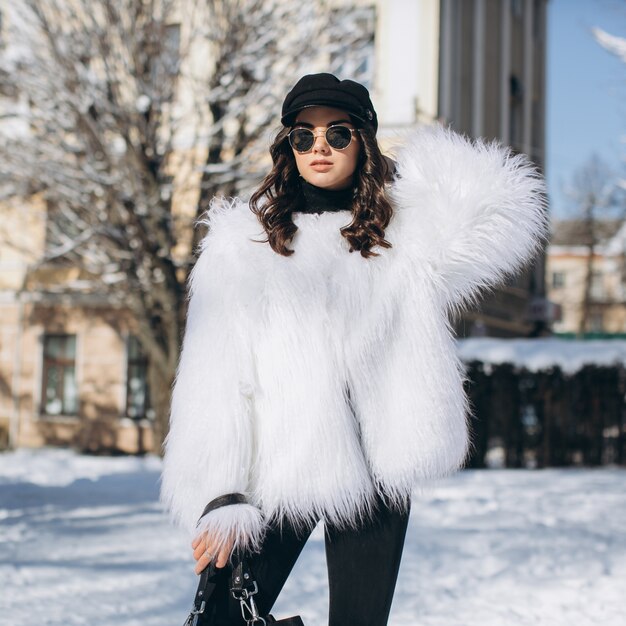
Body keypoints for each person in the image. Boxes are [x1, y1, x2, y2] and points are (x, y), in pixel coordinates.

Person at [161, 73, 549, 625]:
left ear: (363, 141)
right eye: (303, 135)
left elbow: (498, 209)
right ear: (287, 146)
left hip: (376, 473)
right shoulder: (241, 246)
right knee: (221, 619)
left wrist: (422, 161)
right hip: (275, 470)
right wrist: (221, 491)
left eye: (338, 134)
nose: (319, 147)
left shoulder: (405, 240)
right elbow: (214, 378)